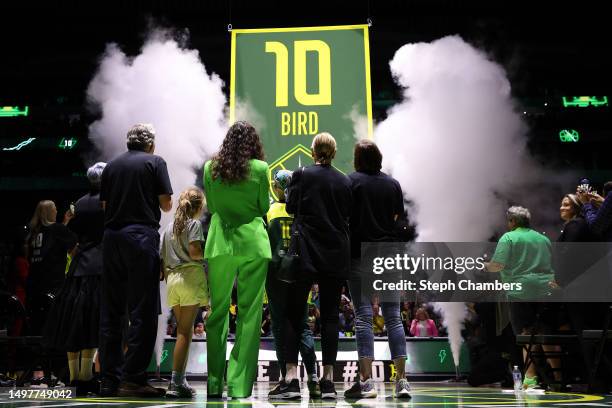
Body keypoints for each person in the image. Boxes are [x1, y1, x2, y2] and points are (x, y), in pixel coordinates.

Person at [99, 123, 173, 397]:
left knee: (111, 312)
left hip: (111, 238)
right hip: (141, 237)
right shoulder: (156, 162)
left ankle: (108, 379)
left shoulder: (111, 166)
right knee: (142, 311)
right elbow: (166, 204)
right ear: (151, 144)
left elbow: (104, 206)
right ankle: (133, 378)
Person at [203, 121, 271, 398]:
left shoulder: (210, 168)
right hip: (253, 244)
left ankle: (214, 383)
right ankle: (240, 384)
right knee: (249, 315)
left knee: (217, 313)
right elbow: (264, 207)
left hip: (220, 243)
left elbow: (214, 206)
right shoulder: (260, 169)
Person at [281, 132, 352, 399]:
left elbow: (290, 208)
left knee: (295, 312)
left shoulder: (301, 174)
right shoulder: (345, 181)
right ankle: (328, 382)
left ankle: (290, 379)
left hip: (306, 252)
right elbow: (347, 216)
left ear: (313, 152)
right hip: (335, 252)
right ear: (333, 153)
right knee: (331, 315)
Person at [343, 139, 411, 399]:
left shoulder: (351, 182)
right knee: (393, 316)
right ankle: (402, 381)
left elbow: (346, 217)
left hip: (359, 255)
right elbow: (396, 218)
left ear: (358, 159)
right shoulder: (393, 184)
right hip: (389, 255)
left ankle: (366, 382)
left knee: (363, 316)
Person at [43, 162, 107, 395]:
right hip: (99, 265)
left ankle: (73, 377)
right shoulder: (106, 202)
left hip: (78, 266)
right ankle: (87, 376)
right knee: (91, 322)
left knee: (74, 322)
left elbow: (75, 235)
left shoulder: (79, 203)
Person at [486, 206, 556, 390]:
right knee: (545, 333)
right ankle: (558, 376)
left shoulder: (508, 237)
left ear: (512, 221)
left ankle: (531, 378)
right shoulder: (543, 238)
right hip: (546, 291)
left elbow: (497, 266)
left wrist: (483, 265)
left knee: (526, 334)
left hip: (520, 291)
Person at [266, 170, 319, 399]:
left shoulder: (268, 212)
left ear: (277, 188)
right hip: (301, 275)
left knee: (280, 327)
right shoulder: (304, 211)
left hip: (277, 277)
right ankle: (314, 378)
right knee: (302, 327)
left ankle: (287, 378)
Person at [160, 187, 208, 398]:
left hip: (172, 281)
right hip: (189, 278)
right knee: (184, 333)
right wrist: (210, 253)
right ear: (198, 207)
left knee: (183, 331)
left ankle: (182, 380)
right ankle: (175, 383)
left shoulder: (168, 228)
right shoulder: (194, 224)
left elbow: (162, 260)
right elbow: (196, 253)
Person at [26, 199, 77, 386]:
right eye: (54, 209)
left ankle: (48, 372)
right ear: (50, 213)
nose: (57, 211)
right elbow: (74, 249)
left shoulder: (34, 233)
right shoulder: (57, 230)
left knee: (42, 334)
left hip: (34, 293)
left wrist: (65, 222)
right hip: (55, 291)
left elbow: (52, 243)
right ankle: (66, 374)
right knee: (63, 331)